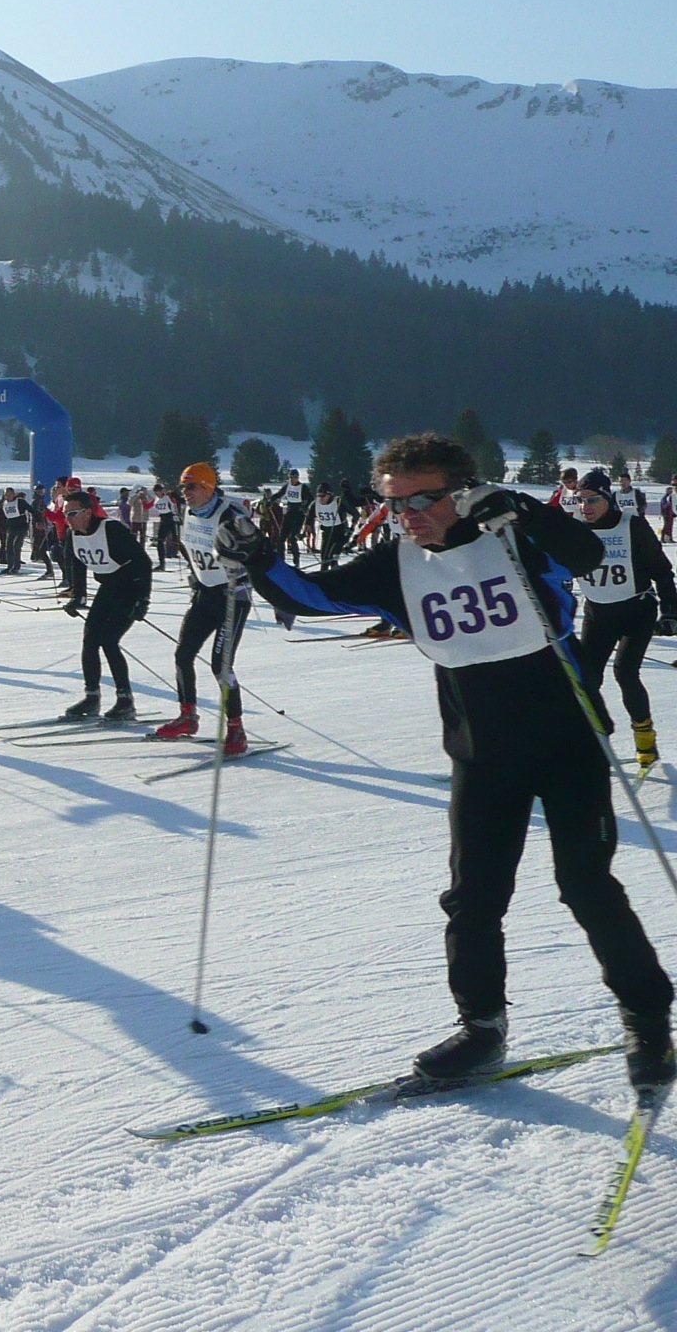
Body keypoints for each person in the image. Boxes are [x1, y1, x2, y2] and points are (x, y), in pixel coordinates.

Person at [217, 433, 675, 1093]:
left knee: (586, 886)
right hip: (482, 754)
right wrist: (257, 556)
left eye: (424, 497)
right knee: (473, 898)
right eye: (395, 501)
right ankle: (481, 1030)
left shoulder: (515, 537)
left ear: (462, 491)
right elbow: (307, 598)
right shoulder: (396, 565)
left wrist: (522, 506)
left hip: (565, 742)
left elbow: (579, 553)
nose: (408, 512)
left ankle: (648, 1018)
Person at [574, 469, 677, 774]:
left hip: (636, 612)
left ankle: (645, 737)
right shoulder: (574, 529)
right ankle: (592, 741)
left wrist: (670, 612)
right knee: (586, 680)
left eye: (592, 499)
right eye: (580, 501)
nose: (585, 507)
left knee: (625, 672)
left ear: (607, 498)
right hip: (597, 614)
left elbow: (661, 570)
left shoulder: (631, 525)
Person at [152, 463, 249, 752]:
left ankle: (236, 729)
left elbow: (261, 553)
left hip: (234, 596)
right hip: (205, 593)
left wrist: (281, 598)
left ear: (207, 487)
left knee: (221, 665)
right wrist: (196, 576)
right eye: (182, 487)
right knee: (183, 654)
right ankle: (187, 716)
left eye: (190, 487)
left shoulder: (230, 515)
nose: (185, 493)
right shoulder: (188, 512)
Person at [60, 485, 152, 720]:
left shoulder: (110, 529)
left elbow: (143, 562)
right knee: (90, 639)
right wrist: (77, 596)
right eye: (65, 513)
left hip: (131, 587)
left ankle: (125, 700)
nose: (67, 519)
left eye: (72, 513)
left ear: (87, 512)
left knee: (109, 641)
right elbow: (78, 566)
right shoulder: (74, 535)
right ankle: (92, 697)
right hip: (109, 588)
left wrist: (143, 599)